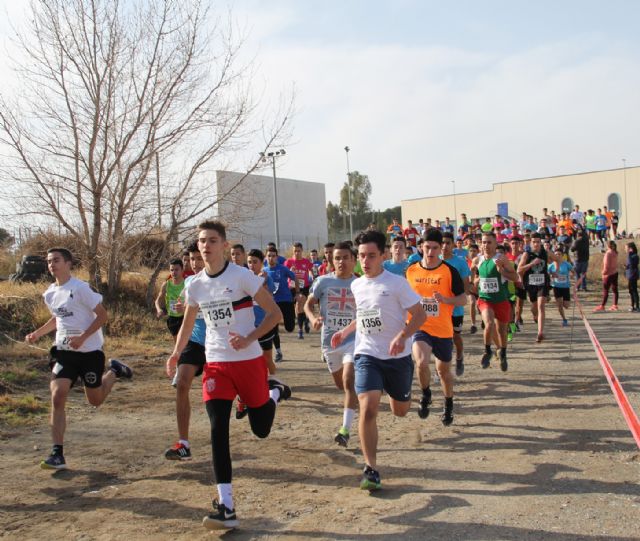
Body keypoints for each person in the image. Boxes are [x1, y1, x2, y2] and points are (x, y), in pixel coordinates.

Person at [166, 220, 290, 531]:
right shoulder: (194, 285)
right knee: (217, 428)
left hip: (248, 362)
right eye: (201, 241)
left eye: (211, 240)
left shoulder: (241, 276)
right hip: (217, 363)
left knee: (261, 429)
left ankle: (274, 391)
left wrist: (250, 338)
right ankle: (227, 505)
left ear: (223, 245)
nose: (205, 246)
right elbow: (187, 323)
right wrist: (176, 352)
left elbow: (275, 314)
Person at [331, 229, 425, 491]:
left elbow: (419, 316)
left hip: (398, 357)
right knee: (369, 406)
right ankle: (371, 469)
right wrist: (345, 331)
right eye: (361, 256)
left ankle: (405, 395)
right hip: (367, 354)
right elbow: (363, 315)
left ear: (383, 255)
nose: (365, 261)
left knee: (400, 410)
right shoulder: (357, 284)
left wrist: (403, 336)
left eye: (371, 255)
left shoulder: (397, 283)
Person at [25, 248, 133, 470]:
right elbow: (58, 318)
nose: (51, 265)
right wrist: (37, 333)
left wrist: (83, 338)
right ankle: (57, 453)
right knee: (57, 394)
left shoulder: (81, 288)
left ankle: (114, 371)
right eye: (48, 262)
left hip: (90, 352)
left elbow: (103, 316)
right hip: (64, 352)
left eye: (56, 260)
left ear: (68, 263)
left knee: (95, 400)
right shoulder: (50, 293)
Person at [407, 229, 466, 426]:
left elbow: (463, 299)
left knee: (443, 372)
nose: (430, 251)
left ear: (441, 249)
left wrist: (445, 299)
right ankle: (425, 394)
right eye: (427, 247)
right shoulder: (411, 270)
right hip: (419, 326)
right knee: (421, 362)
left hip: (443, 329)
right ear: (420, 248)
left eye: (435, 248)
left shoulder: (449, 271)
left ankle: (448, 403)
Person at [304, 242, 358, 446]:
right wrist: (313, 319)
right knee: (340, 385)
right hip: (329, 342)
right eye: (337, 258)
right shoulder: (322, 282)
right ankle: (354, 399)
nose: (341, 262)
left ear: (353, 260)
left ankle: (345, 430)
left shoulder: (360, 283)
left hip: (352, 340)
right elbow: (307, 304)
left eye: (345, 257)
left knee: (348, 380)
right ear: (331, 260)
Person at [164, 242, 206, 460]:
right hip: (195, 340)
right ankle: (183, 443)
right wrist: (181, 307)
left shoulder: (222, 280)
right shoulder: (189, 282)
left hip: (219, 344)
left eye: (199, 258)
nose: (195, 263)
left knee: (217, 393)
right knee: (182, 383)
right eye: (191, 259)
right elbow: (183, 304)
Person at [472, 232, 518, 371]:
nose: (485, 245)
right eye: (483, 242)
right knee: (489, 324)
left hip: (501, 300)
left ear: (495, 244)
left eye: (489, 242)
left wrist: (501, 271)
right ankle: (487, 351)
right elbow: (473, 281)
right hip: (485, 299)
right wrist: (476, 280)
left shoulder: (501, 259)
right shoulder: (477, 260)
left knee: (502, 330)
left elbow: (515, 277)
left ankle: (503, 352)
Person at [441, 232, 470, 376]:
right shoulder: (433, 260)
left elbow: (465, 285)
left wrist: (458, 299)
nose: (444, 246)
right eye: (442, 243)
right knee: (441, 339)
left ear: (453, 245)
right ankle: (442, 368)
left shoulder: (460, 262)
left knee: (455, 337)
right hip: (439, 309)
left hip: (455, 308)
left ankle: (459, 358)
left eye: (448, 243)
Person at [264, 247, 299, 362]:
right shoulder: (263, 271)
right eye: (269, 255)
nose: (271, 258)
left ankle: (292, 321)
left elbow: (295, 278)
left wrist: (297, 293)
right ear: (266, 257)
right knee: (273, 329)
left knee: (289, 327)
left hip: (286, 300)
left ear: (277, 257)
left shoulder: (283, 269)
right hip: (272, 302)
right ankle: (278, 352)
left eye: (273, 256)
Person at [518, 233, 550, 343]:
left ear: (540, 242)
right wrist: (531, 264)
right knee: (534, 307)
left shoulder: (545, 253)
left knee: (541, 305)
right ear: (530, 243)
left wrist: (555, 270)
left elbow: (558, 260)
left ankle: (540, 332)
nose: (536, 244)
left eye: (538, 241)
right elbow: (519, 270)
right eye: (534, 242)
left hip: (543, 283)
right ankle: (535, 315)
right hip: (530, 284)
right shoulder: (527, 254)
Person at [285, 242, 314, 339]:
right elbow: (284, 274)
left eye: (298, 251)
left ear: (302, 251)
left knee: (299, 306)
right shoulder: (288, 262)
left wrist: (311, 275)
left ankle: (300, 330)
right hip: (292, 287)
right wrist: (290, 271)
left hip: (303, 287)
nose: (297, 253)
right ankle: (305, 319)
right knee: (296, 309)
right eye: (295, 251)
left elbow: (311, 270)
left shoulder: (306, 262)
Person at [155, 258, 185, 342]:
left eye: (176, 270)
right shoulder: (166, 284)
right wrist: (159, 310)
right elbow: (157, 301)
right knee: (177, 342)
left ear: (182, 270)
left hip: (185, 316)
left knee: (184, 342)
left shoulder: (187, 284)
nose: (174, 272)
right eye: (171, 270)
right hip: (172, 318)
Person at [548, 247, 574, 326]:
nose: (557, 256)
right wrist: (551, 275)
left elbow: (573, 272)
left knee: (566, 305)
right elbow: (547, 274)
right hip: (556, 286)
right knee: (559, 305)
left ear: (562, 255)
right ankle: (564, 319)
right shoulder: (551, 265)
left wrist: (572, 275)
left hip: (566, 287)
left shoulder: (566, 264)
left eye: (559, 254)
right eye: (556, 254)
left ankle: (563, 304)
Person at [594, 241, 619, 312]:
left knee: (605, 290)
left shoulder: (608, 254)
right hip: (615, 272)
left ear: (608, 246)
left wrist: (603, 273)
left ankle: (602, 305)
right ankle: (615, 305)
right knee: (615, 289)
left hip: (608, 273)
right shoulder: (615, 252)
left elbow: (606, 265)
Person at [625, 242, 639, 312]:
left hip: (633, 275)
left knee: (634, 291)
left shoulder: (634, 255)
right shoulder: (631, 256)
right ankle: (632, 305)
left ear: (630, 249)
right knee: (631, 291)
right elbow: (629, 265)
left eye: (626, 248)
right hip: (630, 275)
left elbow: (632, 264)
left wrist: (629, 254)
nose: (625, 249)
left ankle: (637, 306)